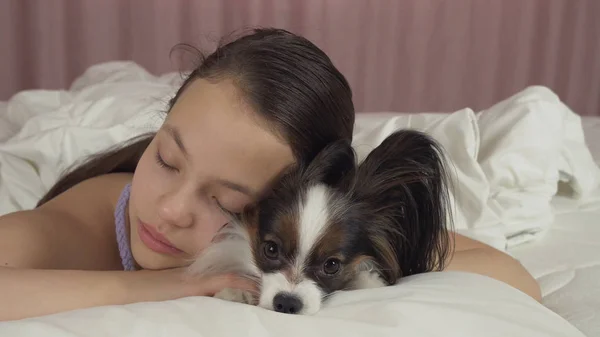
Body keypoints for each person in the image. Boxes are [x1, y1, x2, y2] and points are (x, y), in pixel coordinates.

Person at [0, 28, 540, 322]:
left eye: (229, 205)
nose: (170, 209)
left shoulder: (315, 227)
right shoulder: (98, 216)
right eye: (166, 158)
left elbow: (514, 278)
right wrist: (168, 284)